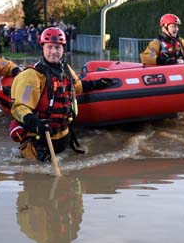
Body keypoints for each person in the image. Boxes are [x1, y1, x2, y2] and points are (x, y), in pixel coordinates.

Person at [9, 27, 113, 162]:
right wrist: (35, 123)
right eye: (50, 47)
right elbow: (19, 108)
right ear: (43, 48)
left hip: (63, 136)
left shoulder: (66, 69)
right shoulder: (32, 75)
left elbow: (75, 87)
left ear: (63, 49)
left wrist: (95, 84)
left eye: (58, 48)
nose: (54, 52)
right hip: (40, 140)